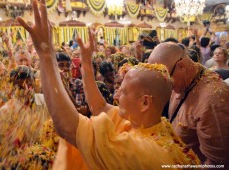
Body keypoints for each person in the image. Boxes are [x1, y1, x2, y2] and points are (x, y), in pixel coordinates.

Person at [18, 1, 200, 169]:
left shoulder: (140, 151)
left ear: (145, 103)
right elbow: (100, 106)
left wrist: (46, 54)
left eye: (123, 91)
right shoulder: (151, 124)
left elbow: (66, 126)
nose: (116, 96)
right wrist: (87, 65)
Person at [148, 42, 229, 166]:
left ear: (181, 66)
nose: (166, 86)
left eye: (166, 79)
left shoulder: (213, 99)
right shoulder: (180, 82)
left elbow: (218, 163)